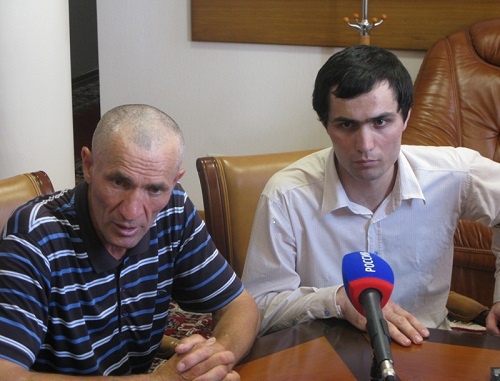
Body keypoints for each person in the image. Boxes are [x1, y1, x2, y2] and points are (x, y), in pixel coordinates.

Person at [241, 45, 500, 347]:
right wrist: (337, 300)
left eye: (380, 122)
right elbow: (258, 309)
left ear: (406, 117)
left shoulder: (455, 173)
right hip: (325, 354)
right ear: (325, 123)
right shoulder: (285, 195)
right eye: (346, 124)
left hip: (426, 350)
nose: (365, 145)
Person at [0, 104, 260, 379]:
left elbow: (240, 305)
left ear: (174, 181)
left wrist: (211, 361)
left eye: (155, 189)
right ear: (88, 166)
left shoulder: (173, 209)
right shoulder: (34, 238)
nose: (132, 212)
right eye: (119, 182)